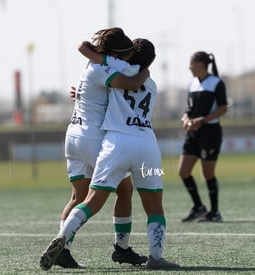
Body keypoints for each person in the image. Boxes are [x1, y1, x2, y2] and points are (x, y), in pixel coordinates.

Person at [40, 38, 180, 270]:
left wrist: (81, 93)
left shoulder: (115, 75)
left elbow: (104, 84)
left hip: (115, 144)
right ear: (151, 60)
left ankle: (63, 238)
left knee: (91, 200)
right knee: (154, 206)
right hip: (147, 145)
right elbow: (134, 83)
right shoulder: (151, 84)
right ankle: (155, 258)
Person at [53, 27, 148, 269]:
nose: (128, 58)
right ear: (117, 54)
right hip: (92, 139)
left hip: (73, 135)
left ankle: (62, 250)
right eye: (126, 54)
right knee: (125, 189)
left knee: (78, 196)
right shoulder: (106, 68)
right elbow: (132, 83)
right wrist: (145, 71)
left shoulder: (91, 66)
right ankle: (122, 248)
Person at [178, 51, 228, 223]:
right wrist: (185, 119)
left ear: (200, 64)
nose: (189, 67)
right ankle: (199, 207)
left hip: (210, 133)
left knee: (208, 174)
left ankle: (215, 212)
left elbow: (223, 108)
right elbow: (188, 108)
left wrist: (203, 120)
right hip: (193, 133)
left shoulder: (216, 83)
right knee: (183, 171)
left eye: (191, 63)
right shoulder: (192, 84)